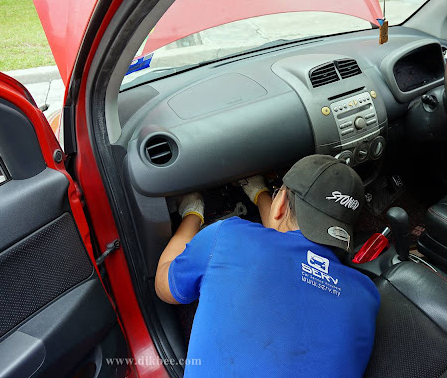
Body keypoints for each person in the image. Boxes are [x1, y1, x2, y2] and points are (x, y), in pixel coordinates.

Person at [155, 154, 380, 376]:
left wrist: (192, 212)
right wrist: (260, 193)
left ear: (280, 203)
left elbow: (165, 287)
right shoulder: (367, 295)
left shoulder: (227, 236)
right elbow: (284, 244)